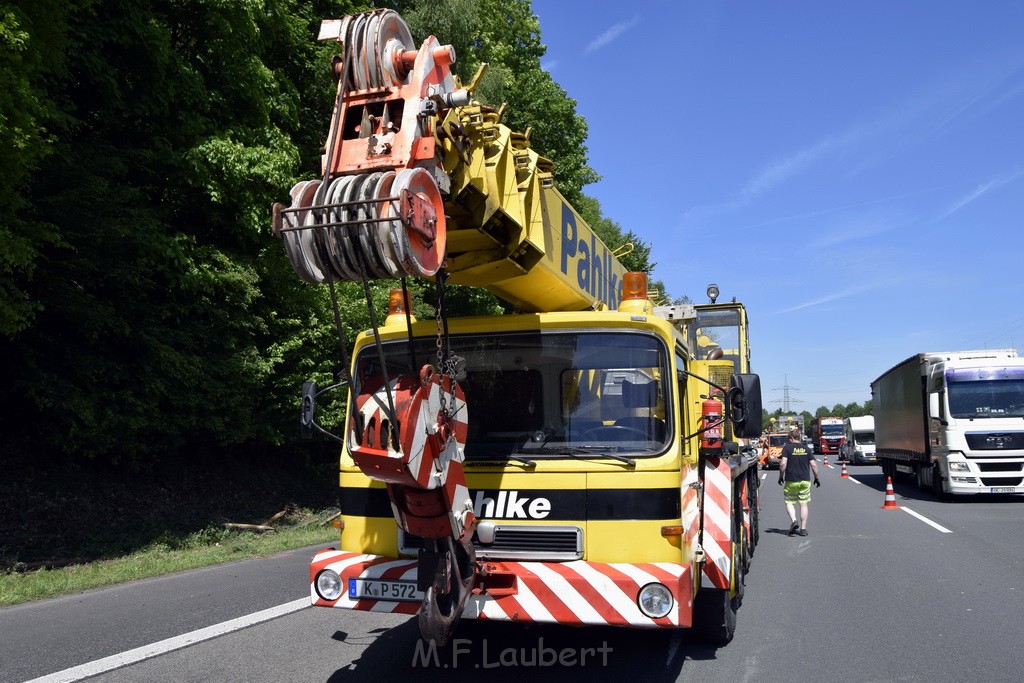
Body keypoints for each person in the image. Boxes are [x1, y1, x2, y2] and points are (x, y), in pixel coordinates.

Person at [778, 429, 820, 536]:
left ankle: (794, 521)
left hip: (791, 480)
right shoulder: (806, 449)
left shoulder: (787, 448)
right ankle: (803, 529)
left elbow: (783, 464)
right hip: (805, 480)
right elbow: (814, 465)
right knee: (804, 503)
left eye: (789, 439)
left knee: (789, 502)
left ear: (792, 438)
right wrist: (816, 478)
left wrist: (780, 476)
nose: (788, 441)